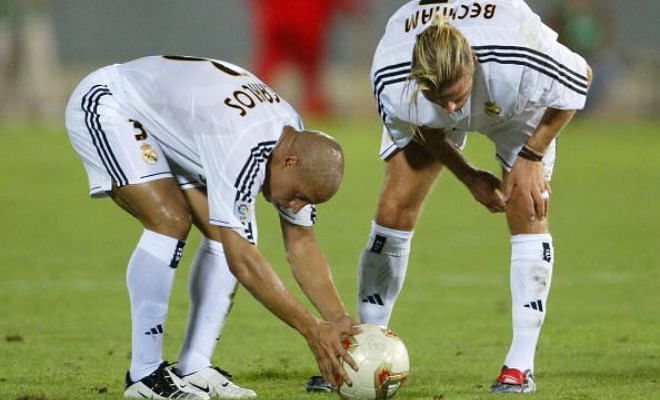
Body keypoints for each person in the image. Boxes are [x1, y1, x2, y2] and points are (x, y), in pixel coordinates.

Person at [64, 55, 359, 399]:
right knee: (171, 221)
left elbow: (302, 242)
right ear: (289, 162)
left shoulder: (291, 137)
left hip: (182, 126)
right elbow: (243, 261)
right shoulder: (244, 147)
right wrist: (311, 330)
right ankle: (144, 375)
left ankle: (194, 365)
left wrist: (338, 320)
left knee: (224, 234)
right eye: (298, 196)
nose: (294, 206)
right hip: (112, 102)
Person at [358, 0, 592, 394]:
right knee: (394, 207)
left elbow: (580, 77)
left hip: (516, 108)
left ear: (472, 64)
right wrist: (467, 175)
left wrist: (531, 157)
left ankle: (520, 365)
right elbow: (425, 126)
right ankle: (366, 345)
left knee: (527, 204)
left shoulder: (518, 55)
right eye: (438, 99)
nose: (450, 107)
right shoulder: (394, 77)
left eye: (455, 94)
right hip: (441, 94)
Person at [249, 0, 361, 118]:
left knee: (267, 69)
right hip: (307, 23)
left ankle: (250, 105)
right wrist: (353, 9)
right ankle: (317, 110)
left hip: (279, 21)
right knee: (310, 77)